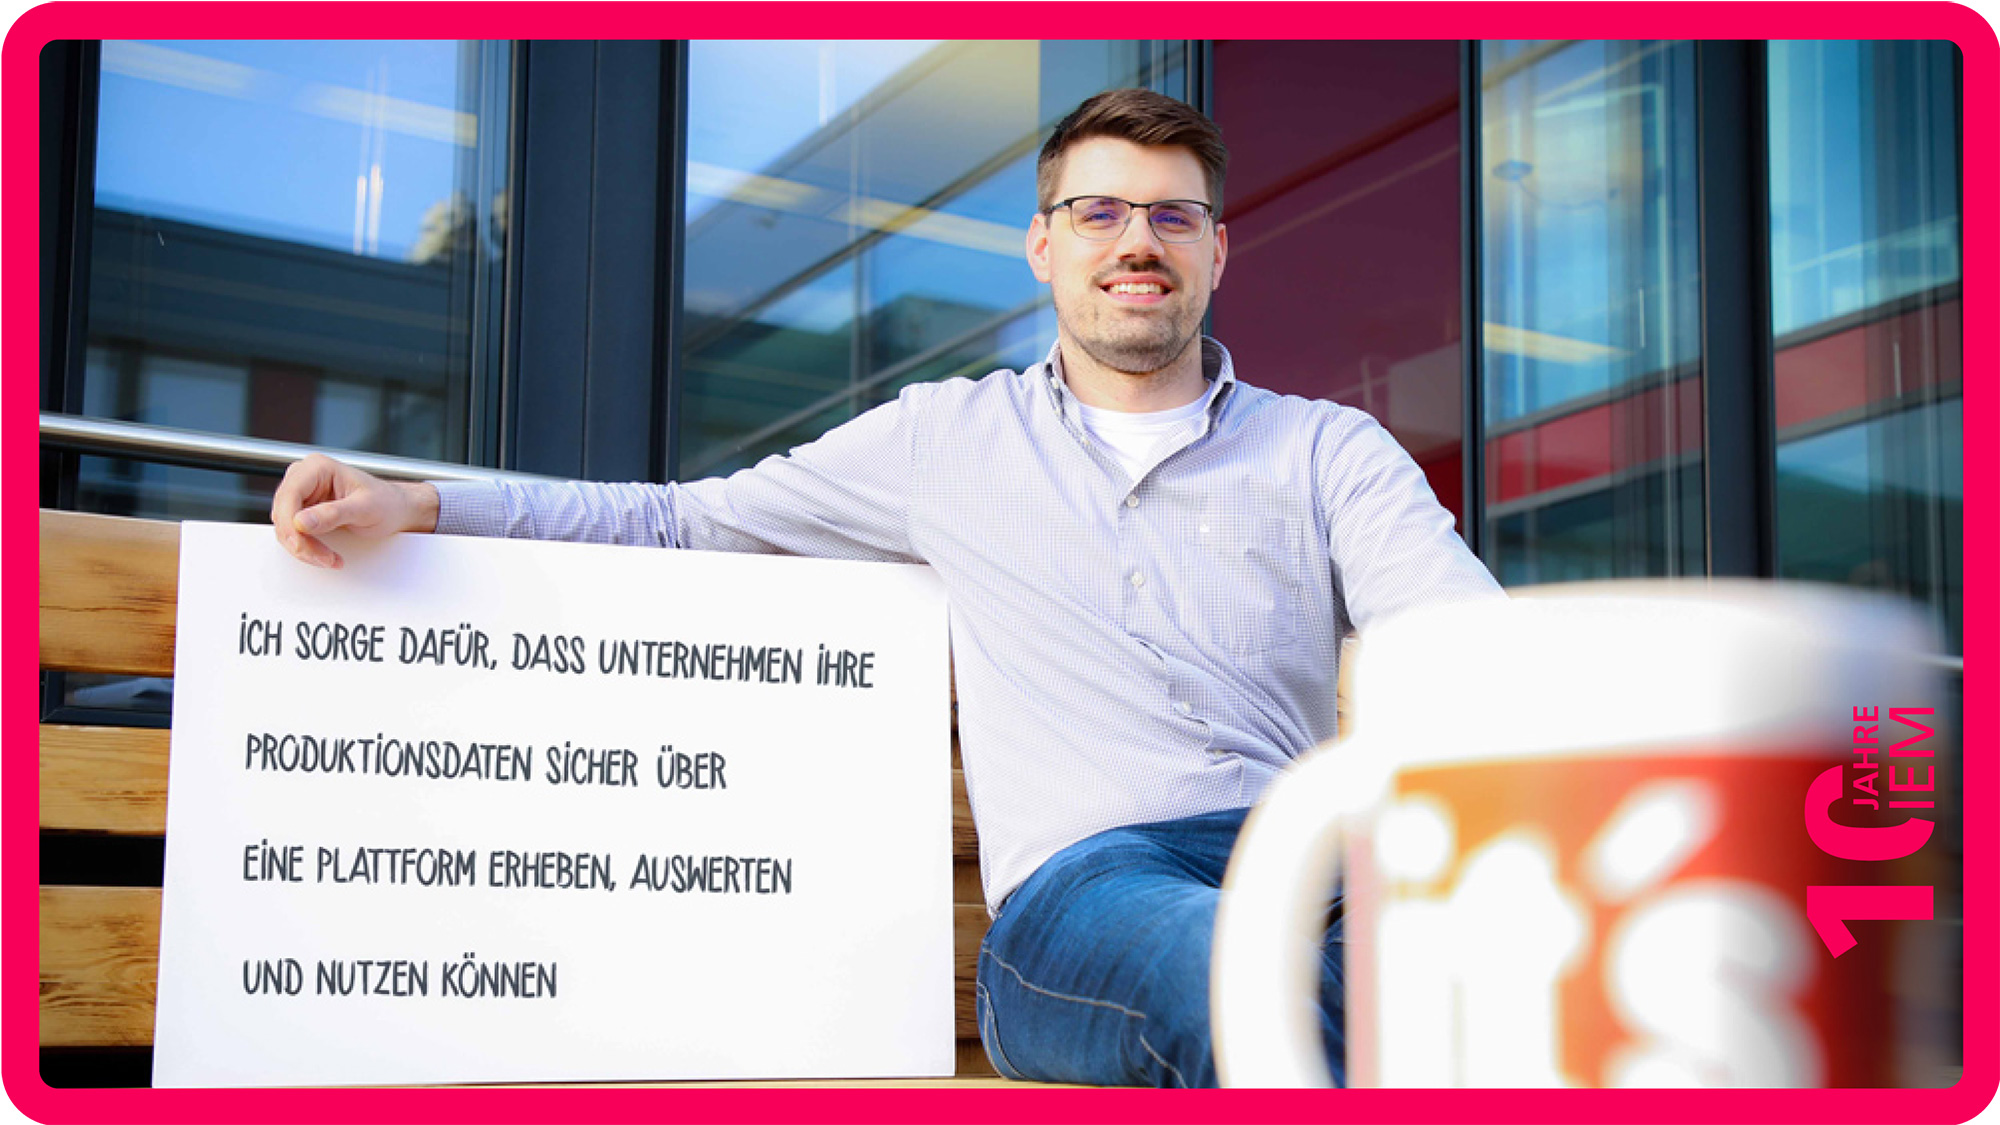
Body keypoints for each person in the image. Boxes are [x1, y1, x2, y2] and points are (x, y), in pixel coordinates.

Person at [271, 89, 1503, 1087]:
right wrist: (429, 503)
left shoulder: (1324, 450)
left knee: (1472, 958)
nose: (1138, 242)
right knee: (1230, 980)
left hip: (1305, 854)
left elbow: (1459, 646)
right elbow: (685, 523)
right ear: (1042, 245)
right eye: (1099, 213)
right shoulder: (941, 441)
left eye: (1175, 219)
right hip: (1087, 897)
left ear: (1217, 250)